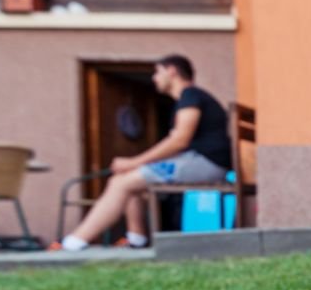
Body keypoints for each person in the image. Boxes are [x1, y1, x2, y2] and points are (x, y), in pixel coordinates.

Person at [52, 54, 231, 250]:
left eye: (157, 72)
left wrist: (135, 162)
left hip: (207, 164)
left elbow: (179, 141)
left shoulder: (191, 96)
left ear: (171, 71)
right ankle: (136, 239)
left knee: (121, 183)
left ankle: (74, 243)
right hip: (202, 162)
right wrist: (137, 166)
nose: (154, 78)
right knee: (130, 179)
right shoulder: (189, 98)